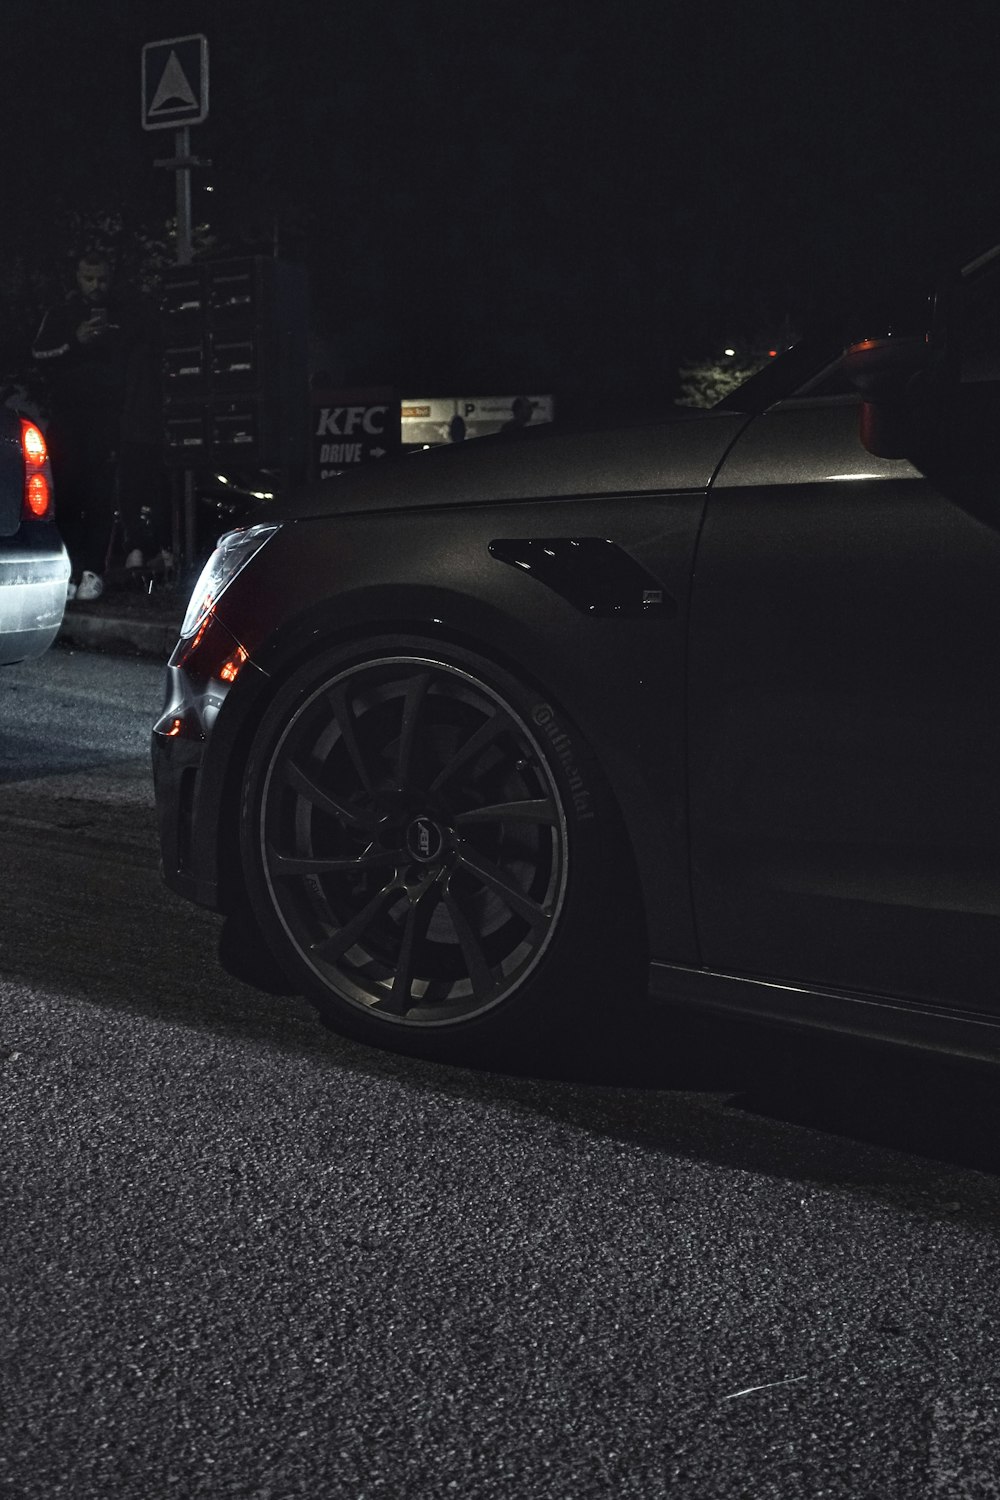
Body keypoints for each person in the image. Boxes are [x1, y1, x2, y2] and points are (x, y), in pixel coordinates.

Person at [32, 253, 167, 601]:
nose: (96, 287)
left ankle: (92, 571)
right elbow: (39, 356)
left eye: (102, 279)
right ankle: (68, 570)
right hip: (67, 420)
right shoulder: (61, 314)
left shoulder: (127, 316)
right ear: (78, 277)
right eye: (89, 279)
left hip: (108, 421)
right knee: (65, 493)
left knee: (100, 496)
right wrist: (76, 342)